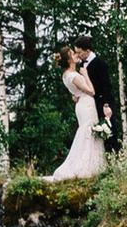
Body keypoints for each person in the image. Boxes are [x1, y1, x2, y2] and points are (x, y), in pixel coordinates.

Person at [47, 40, 113, 182]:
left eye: (77, 52)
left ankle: (93, 166)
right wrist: (86, 75)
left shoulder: (67, 75)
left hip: (82, 104)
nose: (76, 55)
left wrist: (75, 94)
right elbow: (91, 90)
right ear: (70, 59)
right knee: (88, 131)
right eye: (73, 53)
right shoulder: (75, 75)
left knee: (88, 131)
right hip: (87, 105)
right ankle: (87, 167)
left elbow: (76, 92)